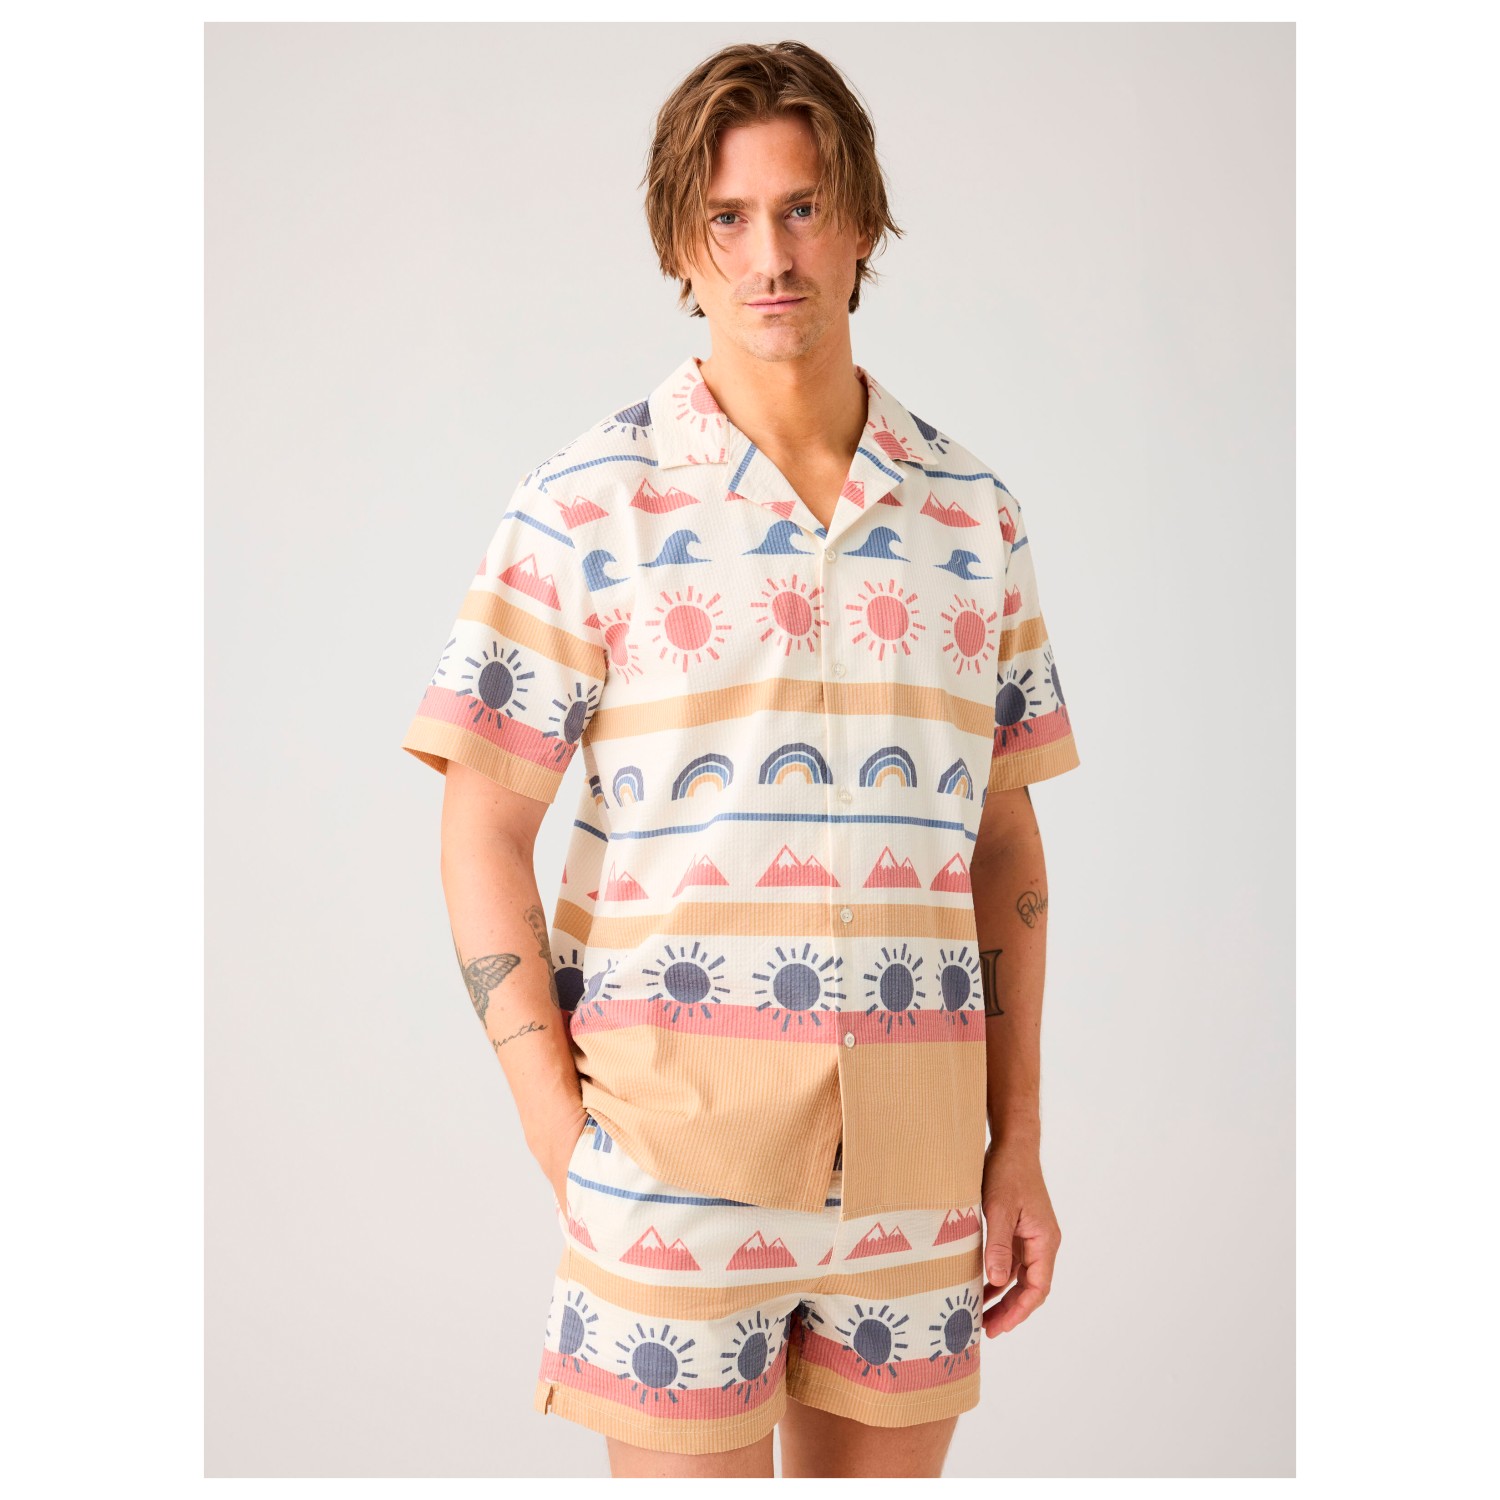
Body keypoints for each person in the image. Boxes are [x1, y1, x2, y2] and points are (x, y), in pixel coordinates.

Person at [401, 39, 1081, 1480]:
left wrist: (1014, 1144)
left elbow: (1006, 845)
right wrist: (558, 1135)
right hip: (670, 1160)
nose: (771, 255)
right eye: (728, 217)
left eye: (804, 207)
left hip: (915, 1166)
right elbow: (480, 826)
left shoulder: (974, 515)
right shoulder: (586, 507)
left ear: (863, 224)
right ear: (679, 243)